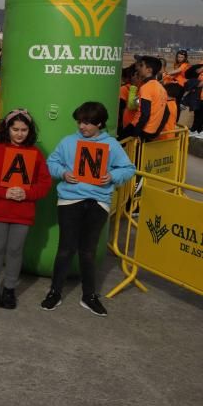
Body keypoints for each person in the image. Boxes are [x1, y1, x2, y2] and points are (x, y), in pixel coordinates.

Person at [42, 102, 135, 316]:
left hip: (98, 202)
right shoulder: (68, 141)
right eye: (80, 122)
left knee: (88, 251)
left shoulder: (111, 145)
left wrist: (112, 176)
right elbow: (51, 163)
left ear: (99, 123)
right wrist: (63, 173)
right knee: (65, 249)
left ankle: (89, 295)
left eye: (87, 123)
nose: (82, 126)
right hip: (69, 201)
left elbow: (129, 168)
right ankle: (54, 292)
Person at [0, 109, 51, 309]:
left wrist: (27, 193)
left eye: (24, 130)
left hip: (22, 211)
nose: (19, 134)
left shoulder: (35, 153)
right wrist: (3, 192)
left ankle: (9, 289)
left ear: (30, 131)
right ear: (7, 129)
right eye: (15, 129)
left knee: (15, 250)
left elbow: (44, 183)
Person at [120, 56, 169, 142]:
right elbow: (166, 113)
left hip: (140, 128)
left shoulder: (147, 87)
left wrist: (136, 133)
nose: (138, 68)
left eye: (141, 65)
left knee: (118, 143)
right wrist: (156, 132)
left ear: (149, 70)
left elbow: (145, 113)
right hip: (150, 131)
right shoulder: (161, 88)